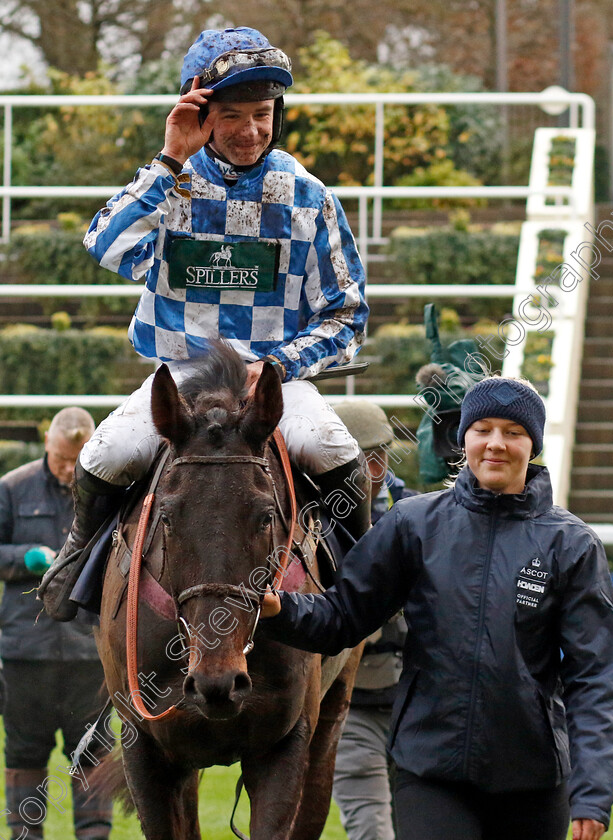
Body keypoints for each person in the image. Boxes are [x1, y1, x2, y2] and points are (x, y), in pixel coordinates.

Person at [39, 26, 370, 623]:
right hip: (183, 376)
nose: (250, 131)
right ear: (199, 113)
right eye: (233, 115)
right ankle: (75, 559)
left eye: (263, 115)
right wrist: (169, 157)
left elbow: (347, 314)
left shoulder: (309, 195)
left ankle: (370, 581)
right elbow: (104, 244)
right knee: (106, 455)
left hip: (273, 379)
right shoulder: (169, 186)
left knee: (331, 445)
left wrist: (276, 366)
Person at [261, 376, 613, 840]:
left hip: (535, 780)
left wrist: (591, 793)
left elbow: (594, 677)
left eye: (512, 432)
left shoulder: (571, 545)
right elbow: (342, 618)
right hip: (429, 772)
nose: (496, 444)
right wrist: (278, 610)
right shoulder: (413, 525)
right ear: (464, 438)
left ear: (532, 443)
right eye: (483, 429)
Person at [0, 408, 113, 840]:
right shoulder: (12, 487)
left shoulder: (106, 492)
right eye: (63, 459)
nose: (69, 468)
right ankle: (25, 835)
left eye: (77, 460)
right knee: (25, 754)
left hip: (89, 650)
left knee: (93, 754)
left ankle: (95, 835)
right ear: (48, 441)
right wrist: (23, 557)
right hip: (28, 650)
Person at [331, 400, 416, 840]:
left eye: (374, 456)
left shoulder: (421, 514)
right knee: (371, 830)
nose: (371, 468)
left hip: (418, 707)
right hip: (351, 708)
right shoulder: (315, 527)